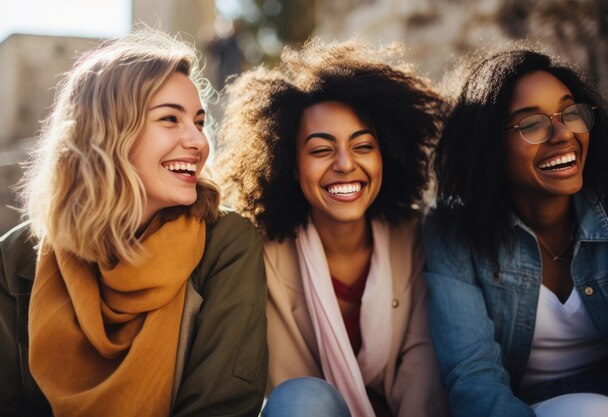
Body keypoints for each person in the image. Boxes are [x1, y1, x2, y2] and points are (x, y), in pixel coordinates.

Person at [0, 29, 267, 417]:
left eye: (198, 121)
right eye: (170, 119)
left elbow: (220, 405)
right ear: (107, 133)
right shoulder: (15, 258)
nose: (197, 140)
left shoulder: (227, 243)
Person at [213, 37, 449, 417]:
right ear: (290, 165)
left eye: (363, 146)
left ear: (385, 155)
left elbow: (422, 374)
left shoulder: (416, 238)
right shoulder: (261, 252)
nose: (344, 164)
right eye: (322, 150)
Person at [423, 47, 608, 417]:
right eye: (532, 124)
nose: (564, 134)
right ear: (489, 148)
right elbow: (473, 377)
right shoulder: (453, 232)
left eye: (570, 113)